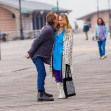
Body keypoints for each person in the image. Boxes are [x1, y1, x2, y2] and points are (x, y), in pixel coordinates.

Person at [25, 11, 59, 102]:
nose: (58, 19)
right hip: (37, 55)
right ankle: (40, 94)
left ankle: (42, 92)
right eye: (57, 17)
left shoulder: (50, 29)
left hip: (39, 55)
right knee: (42, 73)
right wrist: (30, 53)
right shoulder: (48, 29)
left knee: (42, 73)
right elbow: (36, 41)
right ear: (53, 19)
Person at [51, 13, 75, 99]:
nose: (60, 22)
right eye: (59, 20)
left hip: (63, 56)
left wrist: (67, 58)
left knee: (63, 74)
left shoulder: (69, 31)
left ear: (65, 20)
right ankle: (60, 91)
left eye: (61, 20)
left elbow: (70, 46)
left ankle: (66, 91)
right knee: (56, 73)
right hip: (54, 55)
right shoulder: (55, 30)